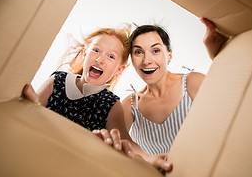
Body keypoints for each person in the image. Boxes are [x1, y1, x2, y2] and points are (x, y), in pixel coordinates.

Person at [22, 26, 172, 172]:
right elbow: (31, 109)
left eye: (111, 56)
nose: (100, 59)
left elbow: (127, 142)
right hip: (37, 150)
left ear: (118, 70)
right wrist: (30, 103)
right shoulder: (56, 81)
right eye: (96, 50)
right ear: (85, 54)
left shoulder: (111, 104)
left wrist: (149, 158)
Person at [96, 18, 227, 156]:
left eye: (156, 50)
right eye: (138, 52)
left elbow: (234, 105)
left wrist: (219, 56)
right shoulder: (130, 105)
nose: (147, 61)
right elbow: (110, 145)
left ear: (169, 56)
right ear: (132, 60)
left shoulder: (192, 83)